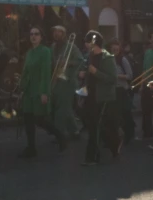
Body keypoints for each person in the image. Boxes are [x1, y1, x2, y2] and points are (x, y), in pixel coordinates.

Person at [19, 26, 66, 158]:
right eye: (31, 34)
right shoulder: (29, 52)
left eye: (36, 34)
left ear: (41, 36)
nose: (33, 36)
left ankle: (61, 137)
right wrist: (21, 88)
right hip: (28, 90)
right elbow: (26, 72)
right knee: (28, 119)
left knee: (39, 119)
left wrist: (44, 92)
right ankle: (31, 148)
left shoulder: (45, 51)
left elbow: (45, 72)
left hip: (39, 89)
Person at [81, 30, 122, 166]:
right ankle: (114, 143)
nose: (86, 45)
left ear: (93, 42)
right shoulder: (89, 56)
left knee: (95, 126)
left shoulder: (107, 57)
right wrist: (82, 74)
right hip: (90, 94)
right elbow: (87, 73)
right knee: (96, 125)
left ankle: (92, 157)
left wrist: (96, 72)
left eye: (87, 42)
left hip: (103, 97)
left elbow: (112, 79)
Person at [51, 26, 82, 140]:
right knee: (65, 108)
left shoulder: (71, 47)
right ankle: (75, 131)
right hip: (57, 80)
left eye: (59, 32)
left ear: (64, 34)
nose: (56, 34)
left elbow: (80, 60)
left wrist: (67, 63)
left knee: (62, 108)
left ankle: (59, 134)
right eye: (54, 32)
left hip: (68, 81)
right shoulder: (53, 47)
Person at [110, 39, 135, 144]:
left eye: (117, 47)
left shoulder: (122, 59)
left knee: (125, 113)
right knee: (113, 114)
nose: (115, 49)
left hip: (122, 90)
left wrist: (116, 76)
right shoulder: (107, 59)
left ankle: (129, 135)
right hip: (112, 90)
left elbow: (130, 75)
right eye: (113, 47)